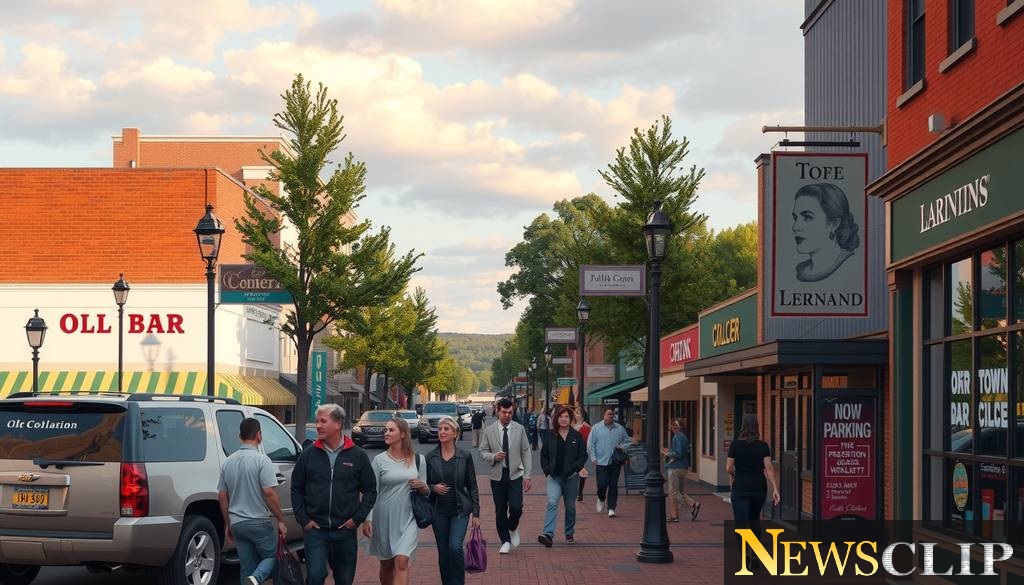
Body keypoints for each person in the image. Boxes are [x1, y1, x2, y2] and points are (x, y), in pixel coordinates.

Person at [291, 404, 377, 585]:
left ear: (337, 424)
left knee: (344, 579)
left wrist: (357, 519)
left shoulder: (357, 456)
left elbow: (370, 490)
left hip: (345, 530)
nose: (318, 426)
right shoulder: (307, 456)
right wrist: (304, 519)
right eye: (317, 421)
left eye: (323, 421)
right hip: (316, 530)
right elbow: (296, 489)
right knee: (315, 576)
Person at [217, 417, 287, 585]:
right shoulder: (262, 460)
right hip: (258, 521)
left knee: (246, 567)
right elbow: (269, 493)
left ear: (239, 436)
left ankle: (252, 578)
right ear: (259, 435)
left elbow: (222, 496)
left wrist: (228, 523)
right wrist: (280, 520)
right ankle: (257, 578)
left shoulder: (227, 462)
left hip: (238, 523)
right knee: (273, 557)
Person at [363, 417, 428, 585]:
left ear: (403, 434)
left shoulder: (418, 460)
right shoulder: (379, 460)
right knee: (386, 565)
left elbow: (426, 492)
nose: (386, 433)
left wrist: (422, 485)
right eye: (386, 429)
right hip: (383, 517)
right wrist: (368, 518)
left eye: (391, 430)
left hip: (408, 518)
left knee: (402, 561)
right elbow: (372, 491)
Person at [426, 416, 480, 585]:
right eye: (440, 429)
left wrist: (476, 514)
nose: (441, 432)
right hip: (438, 511)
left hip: (460, 511)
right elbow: (424, 484)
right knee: (443, 552)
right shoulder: (430, 457)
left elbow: (472, 486)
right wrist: (433, 488)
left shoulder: (465, 456)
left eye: (446, 429)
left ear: (455, 433)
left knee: (455, 547)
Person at [478, 397, 532, 554]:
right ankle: (505, 540)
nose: (507, 415)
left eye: (510, 412)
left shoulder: (519, 429)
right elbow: (482, 451)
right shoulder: (489, 431)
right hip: (497, 475)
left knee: (516, 507)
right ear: (497, 411)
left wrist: (527, 475)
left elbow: (526, 452)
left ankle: (513, 527)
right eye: (504, 412)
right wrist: (493, 457)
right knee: (500, 509)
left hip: (515, 474)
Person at [726, 414, 780, 563]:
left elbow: (729, 467)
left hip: (740, 488)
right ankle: (756, 554)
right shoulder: (763, 446)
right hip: (758, 488)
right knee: (754, 520)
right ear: (756, 426)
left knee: (741, 523)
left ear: (743, 426)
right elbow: (769, 469)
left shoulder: (735, 445)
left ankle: (745, 556)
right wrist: (775, 488)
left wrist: (736, 474)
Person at [538, 405, 587, 547]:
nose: (564, 419)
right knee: (552, 502)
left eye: (566, 417)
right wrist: (547, 470)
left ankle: (569, 532)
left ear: (570, 419)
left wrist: (576, 469)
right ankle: (548, 534)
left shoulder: (576, 436)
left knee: (570, 506)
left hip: (571, 477)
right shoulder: (551, 435)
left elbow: (583, 455)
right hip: (554, 477)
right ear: (556, 419)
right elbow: (544, 455)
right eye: (561, 417)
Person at [791, 182, 860, 282]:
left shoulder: (851, 267)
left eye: (807, 217)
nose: (795, 226)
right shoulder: (800, 271)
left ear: (834, 224)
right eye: (795, 218)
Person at [586, 407, 630, 518]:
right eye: (608, 414)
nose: (611, 416)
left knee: (613, 485)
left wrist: (621, 446)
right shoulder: (596, 428)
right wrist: (593, 457)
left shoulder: (619, 429)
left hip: (615, 462)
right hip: (601, 461)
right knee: (602, 484)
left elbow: (627, 442)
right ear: (603, 415)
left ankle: (611, 508)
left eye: (612, 414)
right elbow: (591, 444)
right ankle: (601, 498)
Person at [662, 417, 700, 522]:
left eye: (674, 425)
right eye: (672, 425)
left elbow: (678, 453)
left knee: (673, 492)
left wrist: (667, 453)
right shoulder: (683, 437)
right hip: (683, 466)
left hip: (676, 467)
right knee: (680, 491)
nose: (672, 427)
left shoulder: (677, 437)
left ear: (677, 427)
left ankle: (691, 505)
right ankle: (675, 515)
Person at [572, 408, 591, 502]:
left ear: (583, 416)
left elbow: (587, 440)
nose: (576, 415)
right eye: (575, 413)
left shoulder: (586, 426)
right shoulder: (574, 425)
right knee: (577, 470)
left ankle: (579, 492)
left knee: (580, 469)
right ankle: (577, 491)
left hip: (581, 452)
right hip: (573, 451)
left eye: (578, 413)